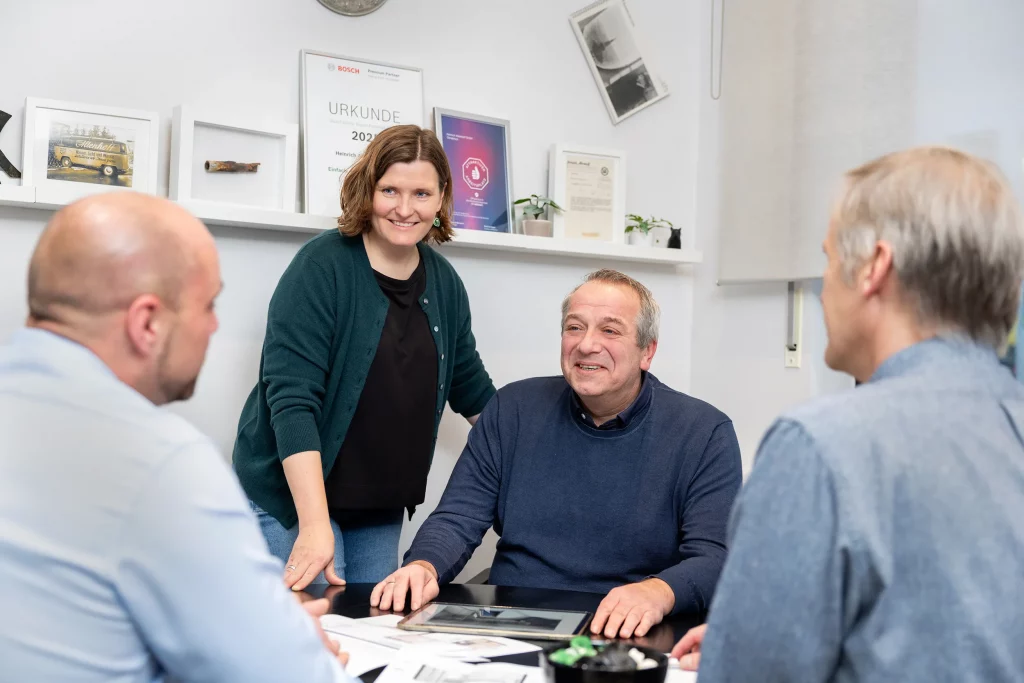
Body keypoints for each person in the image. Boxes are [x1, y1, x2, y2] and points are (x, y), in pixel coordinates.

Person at [673, 146, 1024, 681]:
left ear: (874, 268)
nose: (821, 289)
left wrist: (738, 657)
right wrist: (741, 639)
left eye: (830, 259)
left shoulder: (821, 447)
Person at [0, 193, 351, 682]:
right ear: (146, 323)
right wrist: (292, 643)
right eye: (207, 305)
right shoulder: (160, 463)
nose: (214, 325)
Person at [372, 269, 743, 639]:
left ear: (647, 351)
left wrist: (659, 592)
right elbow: (457, 518)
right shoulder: (512, 408)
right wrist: (424, 566)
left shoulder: (704, 432)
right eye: (575, 327)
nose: (586, 345)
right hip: (512, 623)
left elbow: (715, 556)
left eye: (610, 331)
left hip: (627, 631)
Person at [233, 124, 496, 591]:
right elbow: (291, 401)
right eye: (390, 190)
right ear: (367, 189)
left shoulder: (445, 283)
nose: (404, 209)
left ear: (441, 198)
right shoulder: (322, 266)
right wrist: (314, 525)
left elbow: (471, 386)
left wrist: (535, 441)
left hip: (377, 502)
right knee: (317, 623)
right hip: (295, 499)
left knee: (375, 624)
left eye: (421, 194)